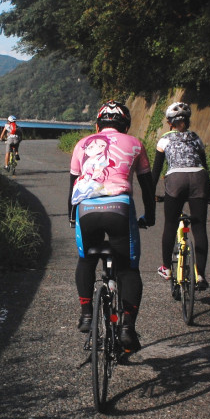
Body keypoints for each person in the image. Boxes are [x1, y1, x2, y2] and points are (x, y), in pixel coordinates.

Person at [68, 100, 155, 351]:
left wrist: (72, 215)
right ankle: (127, 327)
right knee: (128, 269)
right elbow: (147, 186)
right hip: (120, 208)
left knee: (86, 260)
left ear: (98, 124)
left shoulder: (82, 144)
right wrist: (150, 215)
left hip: (86, 209)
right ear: (125, 126)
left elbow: (73, 183)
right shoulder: (136, 143)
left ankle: (86, 313)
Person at [151, 102, 210, 298]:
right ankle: (200, 275)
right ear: (188, 121)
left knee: (170, 224)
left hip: (176, 180)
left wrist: (149, 194)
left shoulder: (164, 140)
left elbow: (156, 171)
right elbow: (204, 165)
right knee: (199, 227)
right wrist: (207, 193)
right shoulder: (196, 138)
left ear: (169, 122)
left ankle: (167, 269)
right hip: (199, 179)